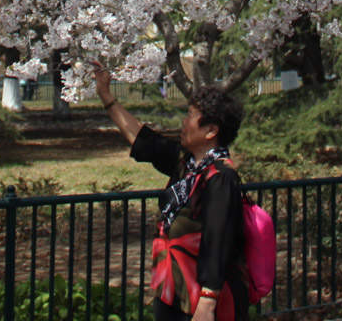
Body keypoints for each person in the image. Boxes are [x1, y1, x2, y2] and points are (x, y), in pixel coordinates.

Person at [92, 64, 247, 321]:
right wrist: (106, 96)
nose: (184, 122)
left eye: (191, 116)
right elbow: (143, 140)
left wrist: (208, 302)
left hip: (200, 301)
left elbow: (218, 241)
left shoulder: (220, 178)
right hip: (173, 290)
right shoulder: (187, 165)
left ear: (211, 130)